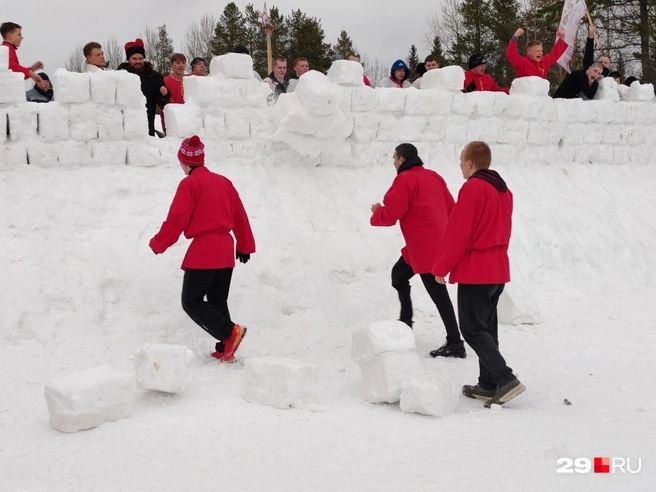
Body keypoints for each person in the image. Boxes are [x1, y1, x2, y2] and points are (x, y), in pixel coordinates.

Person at [432, 141, 525, 407]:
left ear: (470, 163)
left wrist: (441, 267)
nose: (460, 165)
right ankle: (488, 383)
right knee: (486, 328)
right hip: (497, 268)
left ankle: (505, 379)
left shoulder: (473, 188)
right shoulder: (503, 190)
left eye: (462, 160)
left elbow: (458, 232)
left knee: (472, 329)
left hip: (476, 270)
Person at [149, 136, 256, 362]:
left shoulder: (189, 184)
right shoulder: (224, 182)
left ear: (184, 162)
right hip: (226, 251)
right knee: (217, 301)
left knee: (191, 301)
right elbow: (239, 215)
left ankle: (230, 333)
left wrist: (159, 243)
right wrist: (244, 245)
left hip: (205, 250)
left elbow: (177, 219)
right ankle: (225, 348)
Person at [371, 143, 465, 358]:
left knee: (439, 295)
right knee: (398, 276)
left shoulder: (405, 179)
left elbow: (391, 214)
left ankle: (456, 344)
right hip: (425, 246)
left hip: (425, 249)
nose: (393, 162)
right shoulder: (433, 176)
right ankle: (405, 322)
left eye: (394, 158)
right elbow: (451, 207)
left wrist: (378, 211)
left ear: (402, 159)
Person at [117, 38, 170, 137]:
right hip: (124, 121)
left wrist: (164, 94)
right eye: (134, 59)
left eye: (140, 58)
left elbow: (162, 103)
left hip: (147, 121)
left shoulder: (155, 76)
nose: (138, 61)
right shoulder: (120, 75)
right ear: (128, 59)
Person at [1, 22, 48, 91]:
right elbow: (11, 65)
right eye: (19, 34)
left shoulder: (9, 49)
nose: (22, 37)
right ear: (10, 36)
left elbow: (15, 75)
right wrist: (31, 73)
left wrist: (32, 69)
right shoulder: (5, 49)